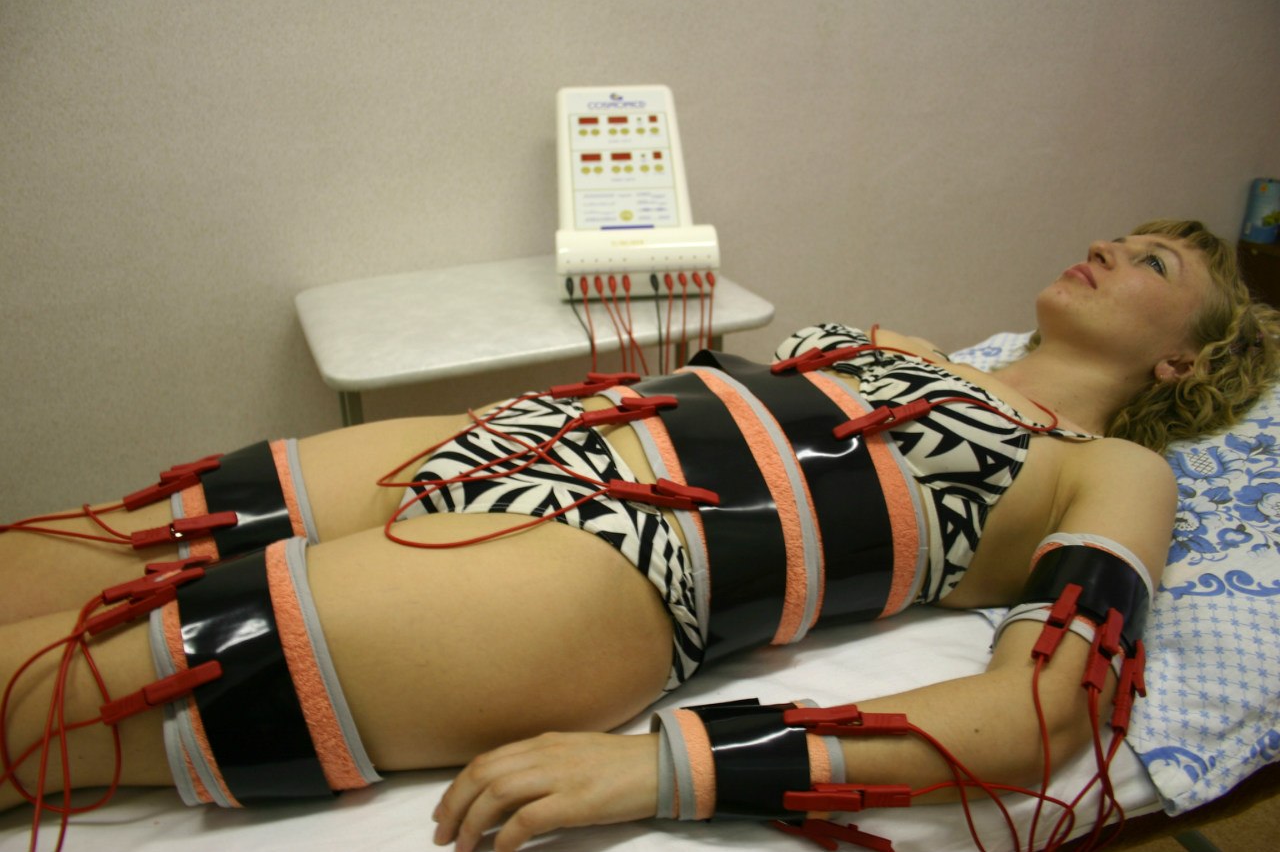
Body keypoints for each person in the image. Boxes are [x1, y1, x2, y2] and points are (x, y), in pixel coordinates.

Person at [1, 219, 1276, 852]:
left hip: (604, 565)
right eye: (1118, 236)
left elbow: (1048, 705)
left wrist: (673, 767)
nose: (1107, 246)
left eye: (1152, 263)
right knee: (51, 555)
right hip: (487, 440)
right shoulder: (906, 344)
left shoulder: (1108, 468)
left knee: (32, 696)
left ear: (1184, 360)